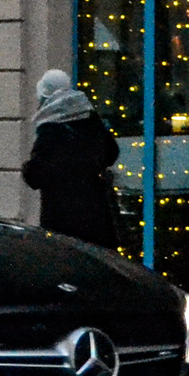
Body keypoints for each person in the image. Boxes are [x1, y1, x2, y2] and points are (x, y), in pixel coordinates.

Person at [20, 70, 121, 248]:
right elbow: (111, 151)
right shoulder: (90, 118)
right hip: (95, 213)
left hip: (62, 215)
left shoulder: (51, 129)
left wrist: (28, 168)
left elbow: (35, 176)